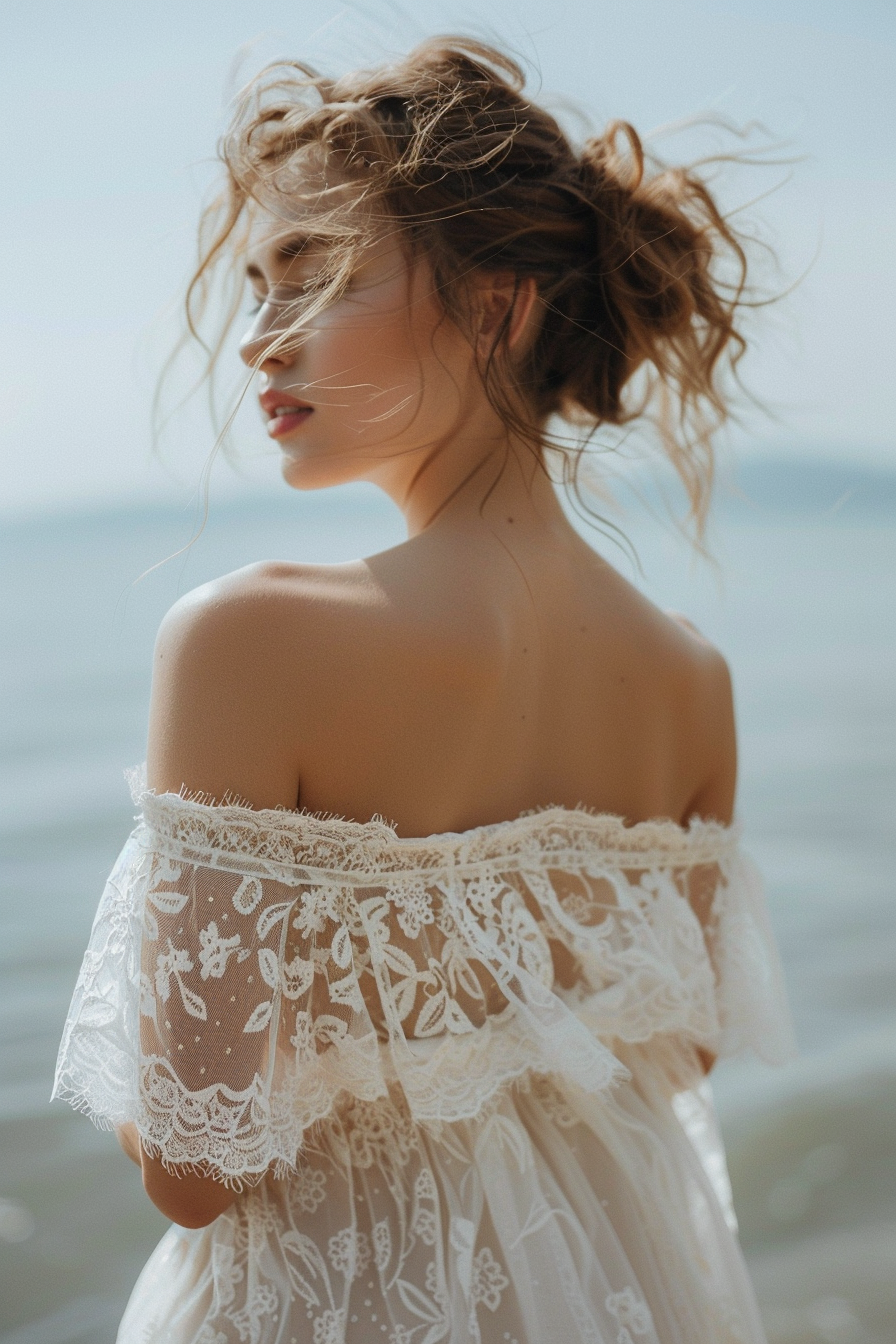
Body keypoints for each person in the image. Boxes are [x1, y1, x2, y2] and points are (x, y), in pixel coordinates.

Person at [54, 37, 796, 1344]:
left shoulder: (247, 639)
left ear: (498, 307)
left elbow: (191, 1171)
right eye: (252, 288)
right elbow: (675, 1067)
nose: (255, 343)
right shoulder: (693, 680)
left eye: (313, 276)